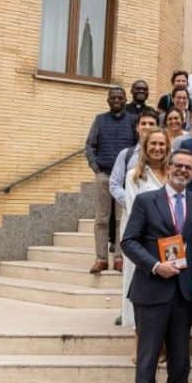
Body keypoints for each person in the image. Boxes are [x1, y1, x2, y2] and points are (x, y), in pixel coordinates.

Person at [120, 149, 192, 383]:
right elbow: (128, 241)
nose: (182, 171)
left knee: (180, 359)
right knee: (148, 358)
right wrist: (155, 266)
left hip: (182, 294)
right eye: (178, 165)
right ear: (168, 167)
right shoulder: (146, 200)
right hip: (151, 289)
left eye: (188, 167)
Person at [119, 129, 170, 332]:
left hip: (169, 243)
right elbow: (134, 210)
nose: (157, 148)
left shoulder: (172, 173)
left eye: (161, 144)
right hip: (143, 240)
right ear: (146, 148)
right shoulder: (134, 176)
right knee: (141, 292)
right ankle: (139, 340)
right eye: (153, 144)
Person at [85, 86, 138, 274]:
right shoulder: (100, 120)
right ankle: (100, 259)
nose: (117, 100)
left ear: (125, 100)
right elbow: (90, 145)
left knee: (120, 219)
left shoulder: (133, 121)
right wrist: (95, 167)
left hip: (124, 179)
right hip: (104, 175)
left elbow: (137, 146)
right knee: (101, 219)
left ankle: (119, 257)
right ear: (108, 100)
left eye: (120, 98)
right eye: (113, 97)